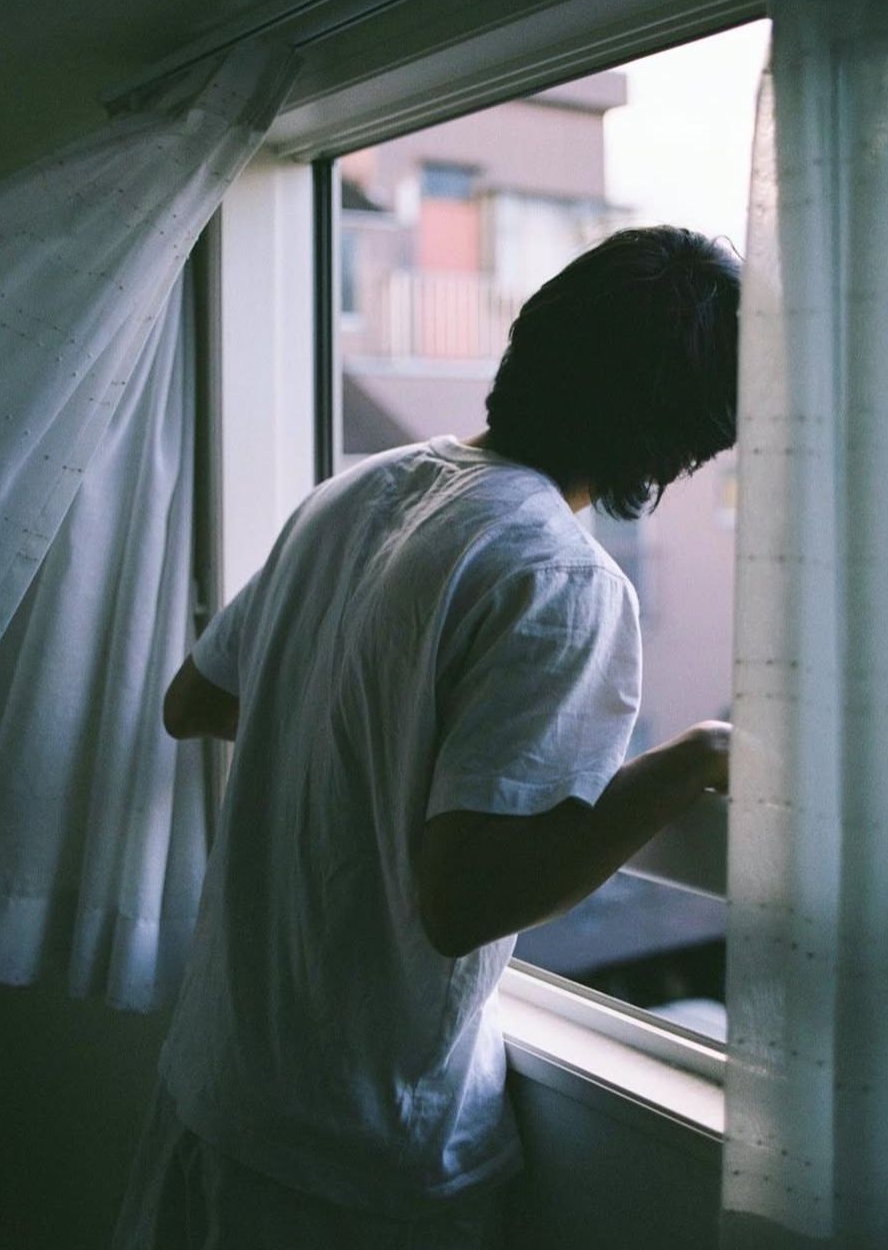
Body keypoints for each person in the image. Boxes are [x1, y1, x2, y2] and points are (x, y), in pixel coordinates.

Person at [114, 225, 740, 1249]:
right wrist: (693, 761)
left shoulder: (359, 490)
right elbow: (464, 899)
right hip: (351, 1156)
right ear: (669, 435)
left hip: (216, 1088)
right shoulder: (559, 576)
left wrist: (357, 731)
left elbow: (196, 699)